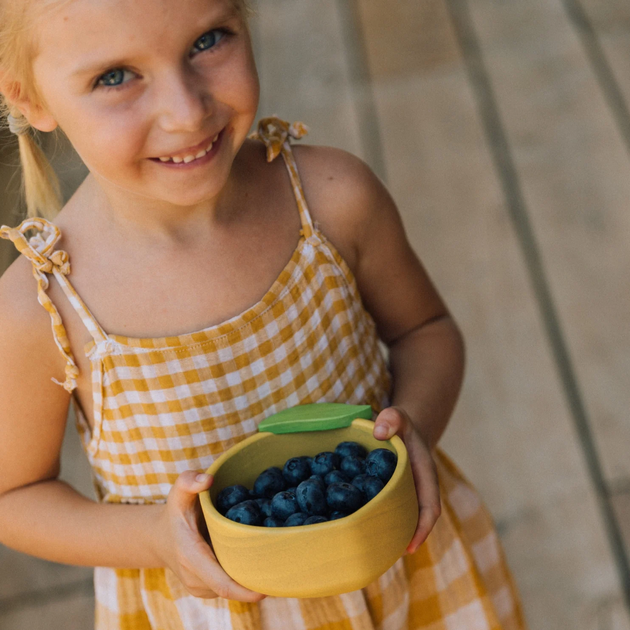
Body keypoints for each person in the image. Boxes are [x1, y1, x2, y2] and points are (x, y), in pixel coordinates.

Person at [0, 0, 527, 628]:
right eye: (115, 76)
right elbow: (14, 497)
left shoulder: (333, 200)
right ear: (29, 98)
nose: (187, 110)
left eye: (208, 39)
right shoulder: (43, 308)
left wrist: (414, 427)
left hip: (404, 571)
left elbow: (426, 332)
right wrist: (154, 537)